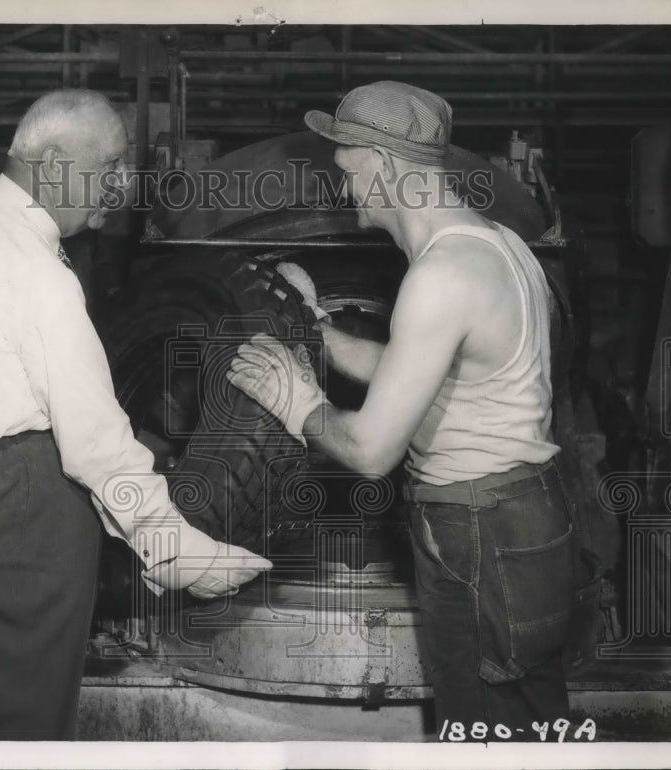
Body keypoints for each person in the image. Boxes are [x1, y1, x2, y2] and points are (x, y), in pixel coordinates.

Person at [0, 89, 271, 740]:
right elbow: (94, 443)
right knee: (14, 724)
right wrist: (174, 548)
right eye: (109, 165)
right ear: (54, 163)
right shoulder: (37, 273)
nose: (121, 186)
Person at [228, 81, 573, 739]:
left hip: (480, 535)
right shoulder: (494, 245)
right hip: (523, 516)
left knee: (487, 735)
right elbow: (422, 373)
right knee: (531, 722)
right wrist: (316, 333)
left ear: (382, 166)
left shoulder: (440, 277)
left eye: (346, 161)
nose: (341, 177)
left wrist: (296, 401)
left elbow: (369, 451)